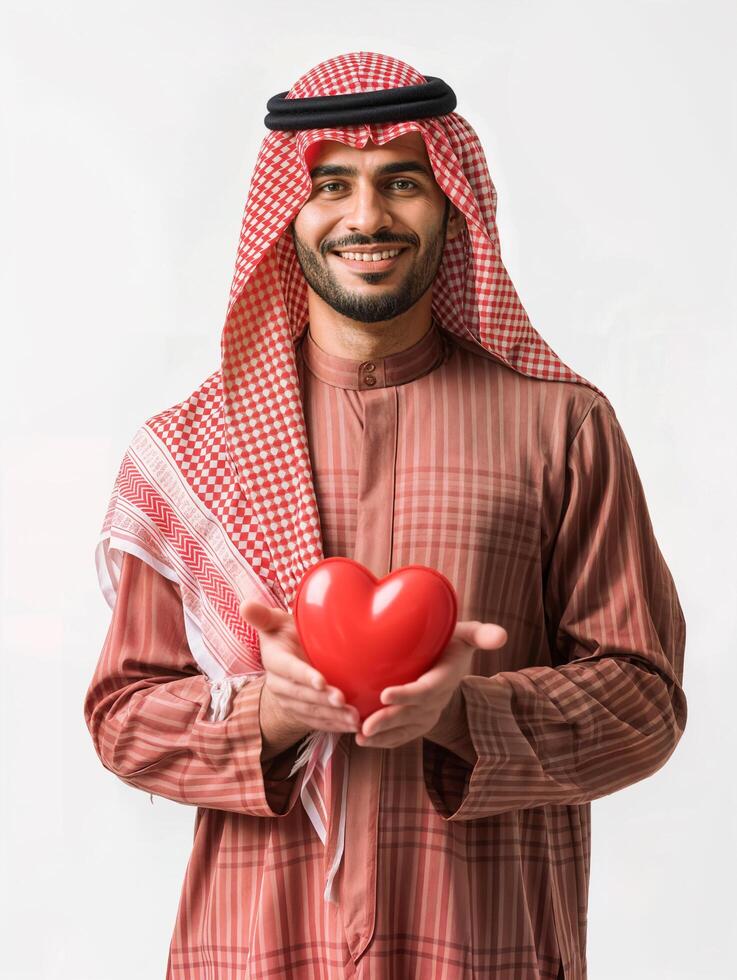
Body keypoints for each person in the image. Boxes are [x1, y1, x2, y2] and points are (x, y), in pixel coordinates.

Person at [83, 51, 687, 980]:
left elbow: (643, 702)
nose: (366, 216)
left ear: (450, 200)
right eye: (332, 185)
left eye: (401, 181)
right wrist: (265, 716)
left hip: (485, 952)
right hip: (253, 955)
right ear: (288, 210)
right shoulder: (194, 445)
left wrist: (466, 716)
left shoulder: (560, 427)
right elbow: (123, 716)